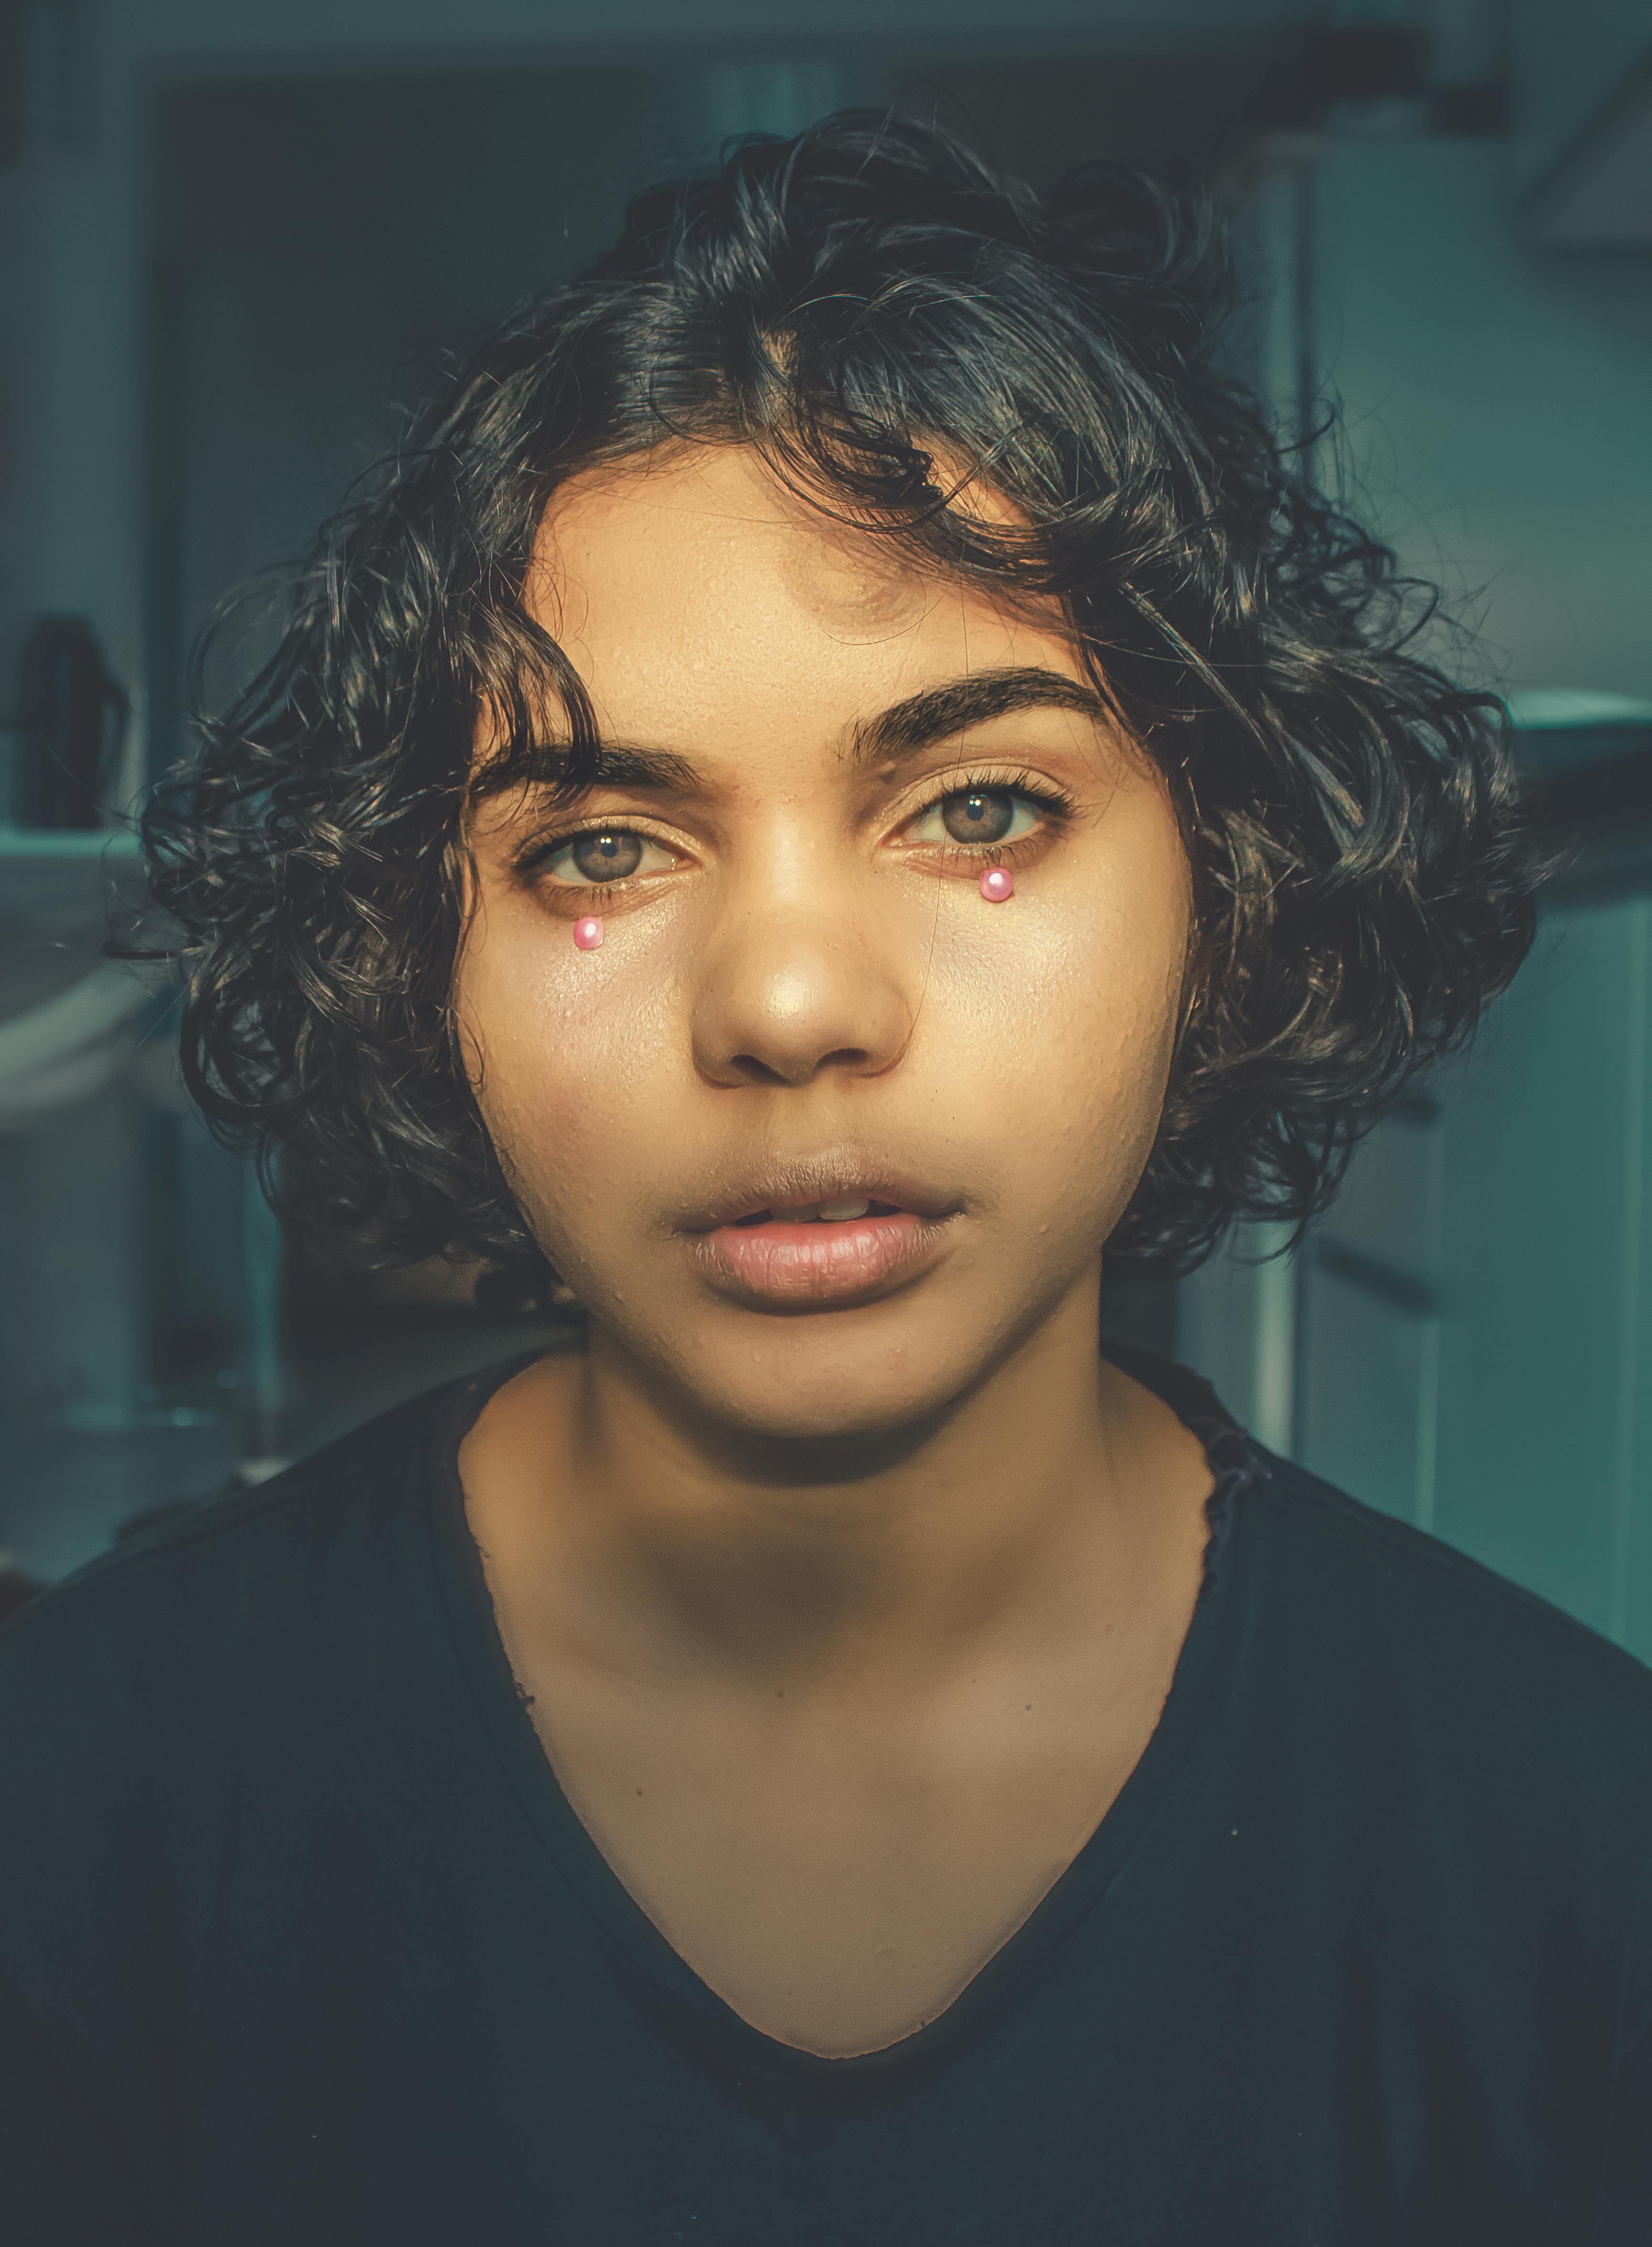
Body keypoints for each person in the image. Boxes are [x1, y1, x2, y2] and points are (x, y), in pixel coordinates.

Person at [1, 115, 1645, 2246]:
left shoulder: (1569, 1856)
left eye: (977, 807)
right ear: (430, 961)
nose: (787, 1000)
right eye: (601, 849)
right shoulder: (90, 1793)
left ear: (1222, 894)